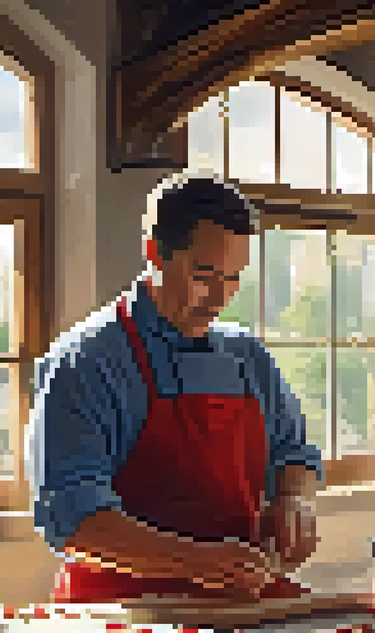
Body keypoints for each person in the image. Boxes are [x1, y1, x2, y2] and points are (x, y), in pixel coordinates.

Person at [25, 176, 323, 602]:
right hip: (115, 620)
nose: (219, 296)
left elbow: (293, 454)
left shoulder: (247, 358)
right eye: (204, 274)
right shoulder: (86, 362)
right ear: (154, 254)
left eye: (234, 277)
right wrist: (197, 560)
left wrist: (295, 500)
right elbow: (74, 520)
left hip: (237, 607)